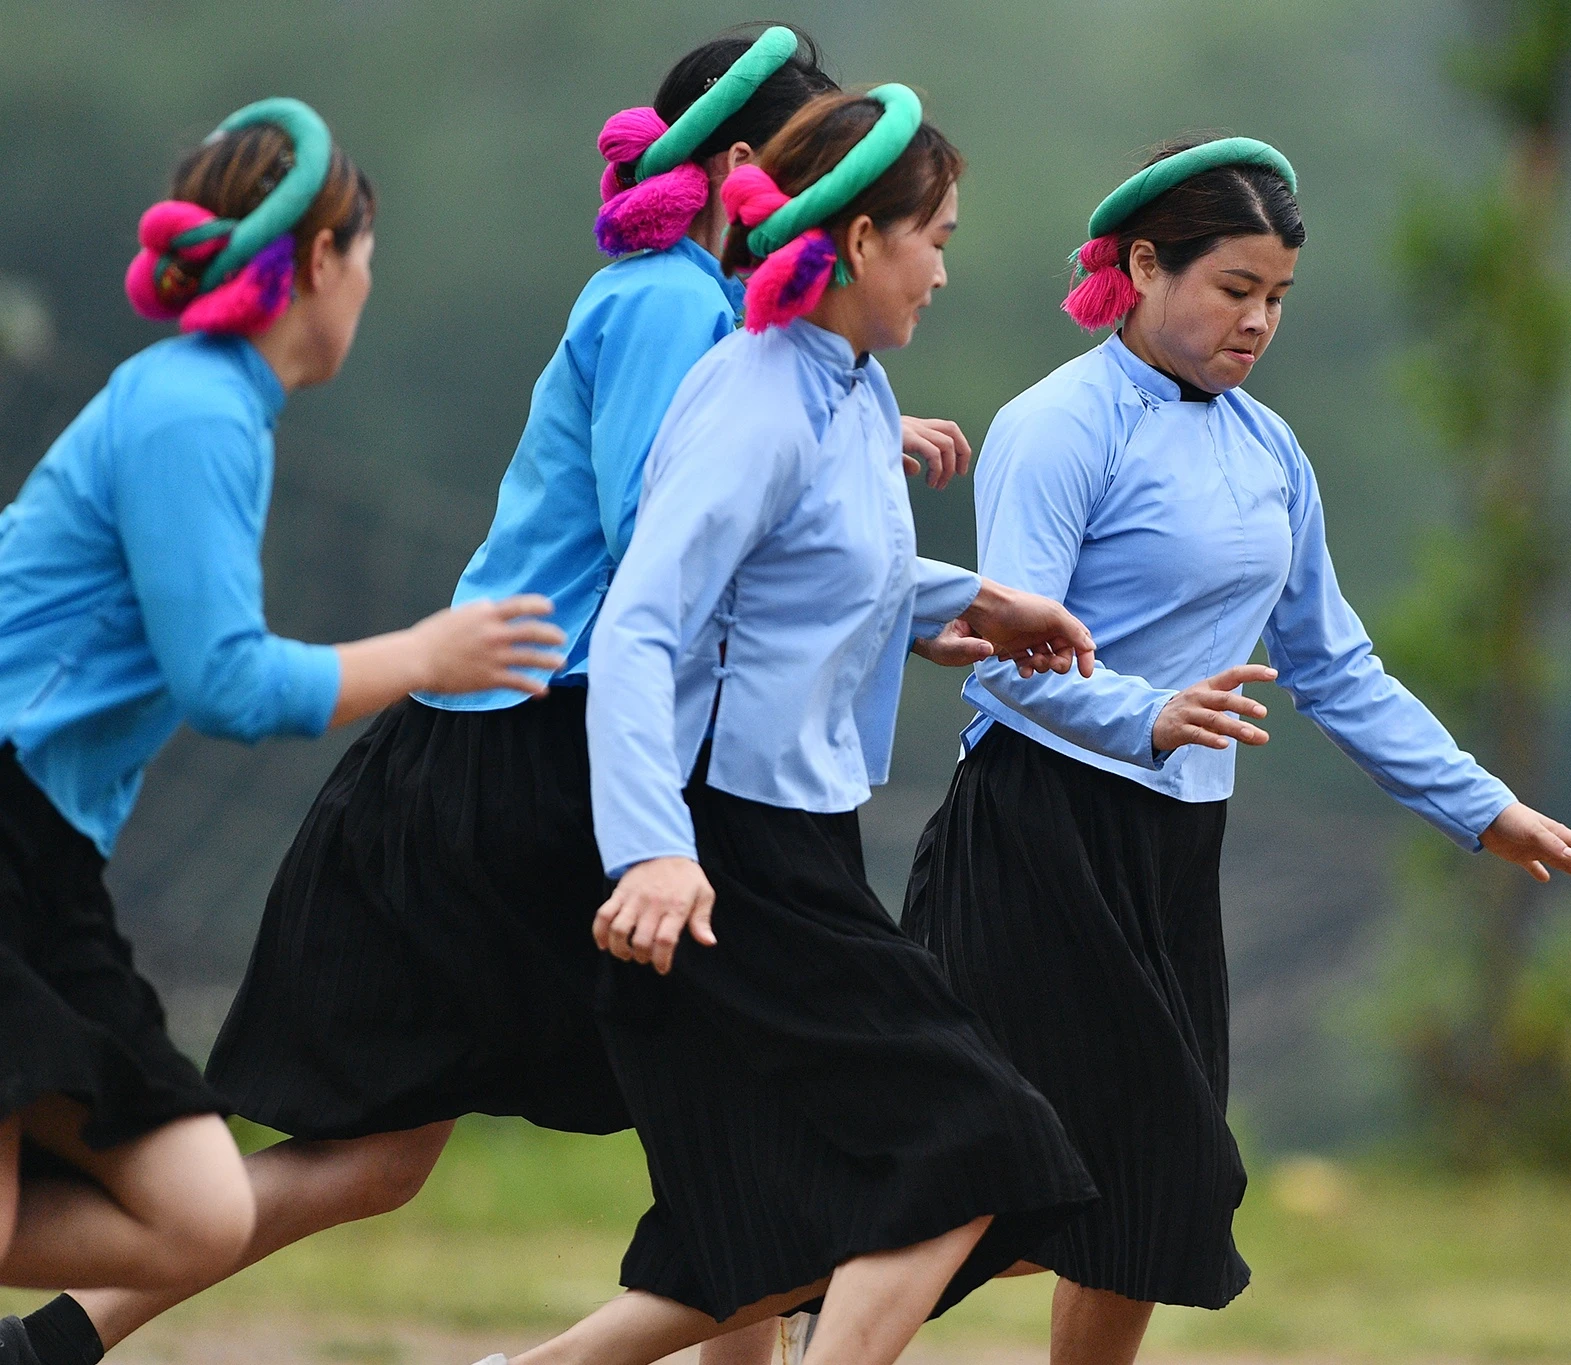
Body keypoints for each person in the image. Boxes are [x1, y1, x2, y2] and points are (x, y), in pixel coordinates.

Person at [29, 28, 976, 1365]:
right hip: (530, 753)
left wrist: (902, 542)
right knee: (748, 1111)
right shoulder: (666, 302)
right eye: (826, 156)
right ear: (754, 166)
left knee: (426, 1153)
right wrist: (906, 554)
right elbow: (676, 532)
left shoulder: (729, 323)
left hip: (547, 744)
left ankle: (59, 1339)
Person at [901, 135, 1571, 1365]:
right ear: (1141, 265)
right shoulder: (1058, 426)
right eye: (1232, 288)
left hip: (1173, 848)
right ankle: (766, 1298)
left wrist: (1482, 807)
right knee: (1017, 1173)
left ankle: (800, 1289)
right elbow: (1001, 659)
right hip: (1033, 837)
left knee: (1150, 1193)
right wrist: (1145, 714)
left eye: (1276, 297)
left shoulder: (1268, 451)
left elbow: (1334, 665)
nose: (1256, 322)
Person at [480, 84, 1101, 1365]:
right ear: (861, 238)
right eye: (931, 232)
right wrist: (652, 847)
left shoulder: (852, 387)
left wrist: (974, 601)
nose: (942, 263)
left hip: (798, 833)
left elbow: (816, 569)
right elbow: (645, 623)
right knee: (978, 1145)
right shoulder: (755, 394)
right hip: (728, 848)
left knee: (771, 1229)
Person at [0, 98, 565, 1360]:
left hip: (44, 860)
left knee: (197, 1217)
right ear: (317, 261)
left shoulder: (219, 407)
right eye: (363, 260)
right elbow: (228, 685)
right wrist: (427, 653)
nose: (364, 288)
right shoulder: (194, 409)